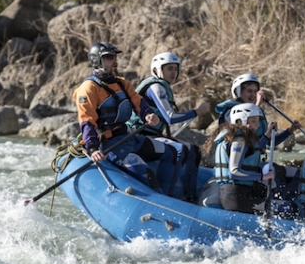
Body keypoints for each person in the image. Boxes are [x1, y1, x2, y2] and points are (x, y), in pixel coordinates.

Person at [73, 41, 178, 195]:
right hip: (110, 144)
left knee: (172, 152)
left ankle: (169, 196)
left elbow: (138, 102)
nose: (114, 61)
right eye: (109, 57)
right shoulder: (88, 88)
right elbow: (87, 120)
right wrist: (93, 148)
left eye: (114, 57)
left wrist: (148, 114)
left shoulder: (122, 83)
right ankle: (159, 199)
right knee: (147, 174)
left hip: (128, 137)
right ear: (97, 61)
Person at [129, 51, 210, 201]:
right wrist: (196, 112)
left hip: (154, 135)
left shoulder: (164, 87)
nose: (173, 72)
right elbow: (170, 117)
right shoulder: (155, 87)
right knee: (178, 150)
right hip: (139, 136)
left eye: (175, 68)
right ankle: (165, 196)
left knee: (194, 151)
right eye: (169, 69)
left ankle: (190, 197)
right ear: (157, 70)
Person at [206, 103, 276, 214]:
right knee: (285, 208)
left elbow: (253, 150)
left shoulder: (237, 138)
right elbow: (234, 172)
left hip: (237, 194)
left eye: (257, 121)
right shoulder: (239, 141)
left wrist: (267, 134)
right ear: (240, 121)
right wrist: (263, 176)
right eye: (253, 121)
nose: (257, 125)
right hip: (236, 197)